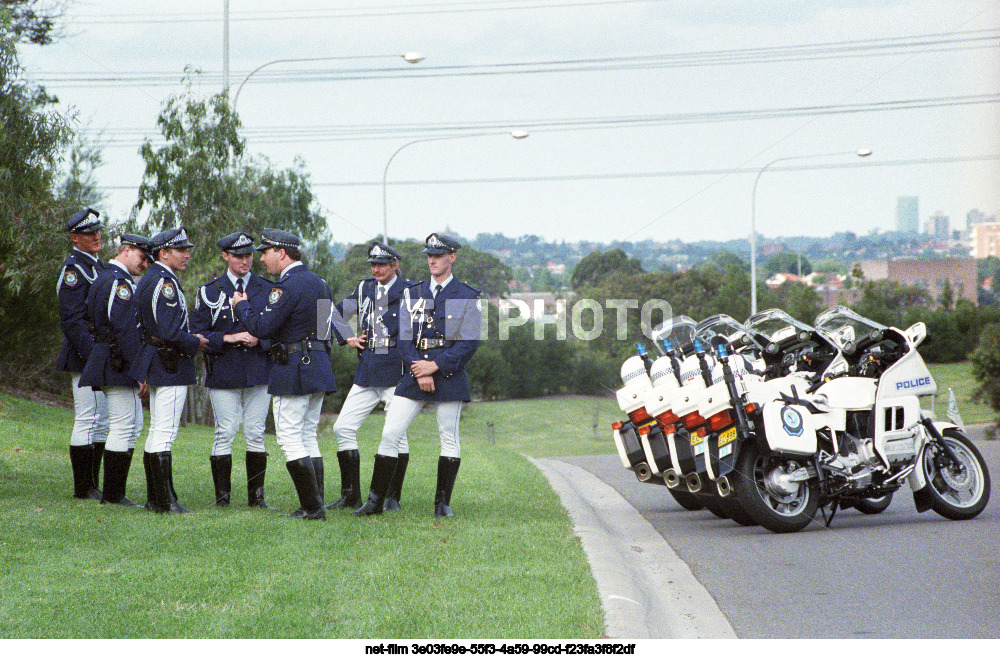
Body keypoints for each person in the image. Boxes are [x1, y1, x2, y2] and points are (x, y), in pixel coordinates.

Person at [356, 233, 481, 517]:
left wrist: (435, 367)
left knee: (448, 436)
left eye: (438, 255)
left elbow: (468, 343)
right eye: (429, 256)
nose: (432, 260)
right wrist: (419, 368)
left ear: (452, 257)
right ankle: (375, 502)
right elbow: (404, 340)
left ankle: (441, 504)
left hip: (448, 373)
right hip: (415, 371)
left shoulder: (465, 294)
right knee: (390, 432)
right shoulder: (413, 293)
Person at [232, 229, 336, 521]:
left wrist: (242, 306)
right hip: (316, 365)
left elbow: (262, 328)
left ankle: (312, 508)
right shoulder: (321, 283)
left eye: (265, 252)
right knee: (307, 435)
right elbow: (326, 330)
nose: (261, 258)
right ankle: (316, 503)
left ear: (282, 252)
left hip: (294, 366)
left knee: (289, 437)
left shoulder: (287, 286)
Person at [327, 241, 413, 511]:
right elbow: (330, 312)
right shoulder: (364, 288)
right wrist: (348, 338)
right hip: (367, 371)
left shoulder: (411, 291)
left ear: (394, 265)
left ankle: (391, 497)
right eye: (373, 264)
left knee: (396, 435)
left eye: (382, 264)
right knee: (342, 428)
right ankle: (350, 494)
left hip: (397, 373)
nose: (376, 269)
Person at [191, 231, 274, 509]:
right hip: (224, 368)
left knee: (255, 431)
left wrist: (260, 339)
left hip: (258, 369)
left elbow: (279, 329)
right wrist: (230, 338)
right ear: (226, 256)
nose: (245, 261)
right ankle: (222, 498)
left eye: (249, 255)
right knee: (224, 430)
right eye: (239, 256)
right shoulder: (210, 290)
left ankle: (257, 498)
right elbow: (198, 333)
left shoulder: (267, 288)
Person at [129, 227, 209, 514]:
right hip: (170, 361)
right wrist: (195, 341)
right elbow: (167, 329)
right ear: (164, 253)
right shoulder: (164, 282)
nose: (187, 254)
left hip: (159, 358)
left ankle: (159, 499)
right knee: (165, 431)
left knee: (157, 431)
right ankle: (165, 502)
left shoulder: (154, 278)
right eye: (181, 250)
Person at [78, 234, 152, 507]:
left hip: (110, 357)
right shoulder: (119, 283)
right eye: (142, 257)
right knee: (124, 424)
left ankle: (114, 493)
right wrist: (140, 371)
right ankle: (113, 495)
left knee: (127, 424)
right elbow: (126, 331)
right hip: (117, 359)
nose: (144, 265)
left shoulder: (104, 277)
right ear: (127, 250)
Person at [58, 208, 110, 500]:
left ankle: (93, 483)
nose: (96, 236)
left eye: (98, 231)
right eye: (89, 233)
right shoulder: (74, 271)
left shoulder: (97, 267)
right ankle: (83, 487)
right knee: (87, 418)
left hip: (100, 353)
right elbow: (72, 320)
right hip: (85, 354)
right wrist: (94, 357)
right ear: (75, 237)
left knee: (102, 420)